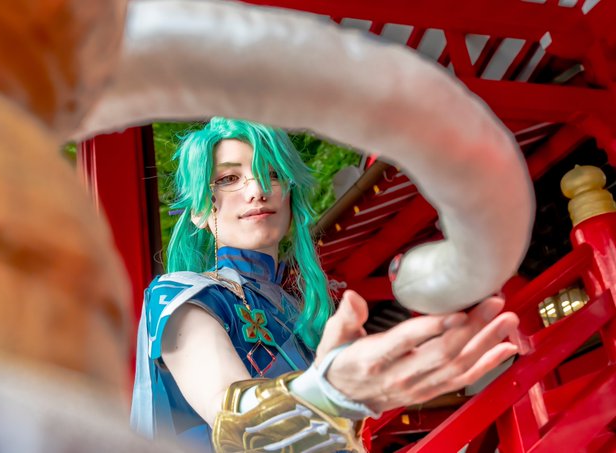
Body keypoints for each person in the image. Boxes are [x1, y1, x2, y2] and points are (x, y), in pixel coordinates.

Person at [131, 117, 520, 452]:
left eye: (272, 174)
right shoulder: (181, 297)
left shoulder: (297, 310)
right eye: (229, 178)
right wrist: (330, 391)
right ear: (200, 210)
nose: (258, 190)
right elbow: (228, 411)